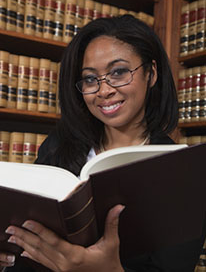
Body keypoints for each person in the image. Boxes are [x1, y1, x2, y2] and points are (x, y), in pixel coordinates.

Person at [0, 15, 205, 271]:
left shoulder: (182, 170)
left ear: (151, 74)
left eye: (118, 72)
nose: (103, 90)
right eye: (89, 79)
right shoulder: (58, 148)